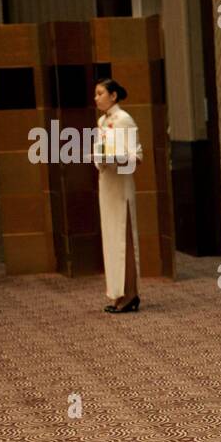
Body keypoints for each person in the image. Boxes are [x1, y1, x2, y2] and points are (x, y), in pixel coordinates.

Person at [93, 78, 141, 313]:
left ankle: (130, 293)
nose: (96, 98)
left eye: (100, 93)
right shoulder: (102, 121)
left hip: (121, 182)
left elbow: (135, 156)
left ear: (113, 96)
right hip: (106, 183)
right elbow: (97, 151)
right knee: (111, 238)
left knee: (124, 238)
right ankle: (116, 292)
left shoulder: (124, 119)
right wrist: (99, 160)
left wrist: (116, 159)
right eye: (96, 94)